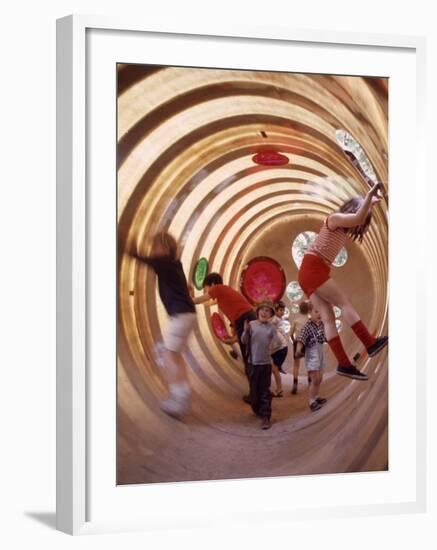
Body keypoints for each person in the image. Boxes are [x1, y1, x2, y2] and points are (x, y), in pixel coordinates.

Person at [297, 182, 388, 380]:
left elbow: (358, 218)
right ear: (352, 209)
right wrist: (369, 196)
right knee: (344, 302)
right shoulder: (334, 218)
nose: (360, 224)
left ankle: (344, 364)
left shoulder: (343, 228)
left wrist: (370, 204)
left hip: (310, 270)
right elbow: (357, 217)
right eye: (362, 215)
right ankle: (370, 343)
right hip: (313, 267)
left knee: (328, 318)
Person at [131, 232, 196, 418]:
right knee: (174, 355)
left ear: (166, 249)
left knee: (167, 354)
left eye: (156, 247)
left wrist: (131, 252)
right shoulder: (174, 264)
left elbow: (151, 262)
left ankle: (179, 398)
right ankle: (183, 393)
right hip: (186, 316)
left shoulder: (166, 263)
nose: (153, 250)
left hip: (181, 316)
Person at [193, 273, 256, 400]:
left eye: (205, 288)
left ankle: (255, 395)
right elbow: (207, 304)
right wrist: (233, 339)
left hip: (244, 319)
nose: (206, 292)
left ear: (211, 284)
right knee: (254, 357)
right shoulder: (226, 292)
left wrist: (184, 298)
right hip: (249, 318)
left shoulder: (217, 288)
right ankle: (261, 391)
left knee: (249, 360)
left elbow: (201, 300)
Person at [241, 302, 277, 429]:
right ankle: (257, 409)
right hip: (253, 363)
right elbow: (244, 341)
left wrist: (271, 350)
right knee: (254, 392)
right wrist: (245, 331)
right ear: (258, 312)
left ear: (271, 315)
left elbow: (275, 342)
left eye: (268, 311)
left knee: (265, 391)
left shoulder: (271, 328)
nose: (264, 312)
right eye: (262, 309)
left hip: (266, 364)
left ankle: (266, 416)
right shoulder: (251, 325)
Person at [295, 303, 328, 411]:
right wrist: (298, 350)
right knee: (315, 379)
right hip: (312, 353)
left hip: (320, 352)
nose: (319, 314)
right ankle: (311, 401)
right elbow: (301, 338)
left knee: (320, 378)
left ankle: (316, 396)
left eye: (320, 312)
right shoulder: (307, 327)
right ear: (310, 312)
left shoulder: (321, 325)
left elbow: (325, 338)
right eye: (316, 312)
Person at [289, 300, 311, 394]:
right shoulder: (309, 321)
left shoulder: (296, 320)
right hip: (307, 343)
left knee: (296, 364)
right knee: (309, 363)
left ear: (299, 310)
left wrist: (294, 340)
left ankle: (295, 383)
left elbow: (290, 334)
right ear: (308, 310)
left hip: (298, 342)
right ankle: (310, 382)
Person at [269, 301, 289, 397]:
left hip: (280, 349)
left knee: (274, 369)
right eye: (281, 310)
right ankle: (276, 388)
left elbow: (267, 324)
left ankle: (279, 389)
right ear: (276, 310)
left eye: (283, 310)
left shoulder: (275, 320)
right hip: (278, 348)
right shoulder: (277, 319)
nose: (282, 312)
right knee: (272, 368)